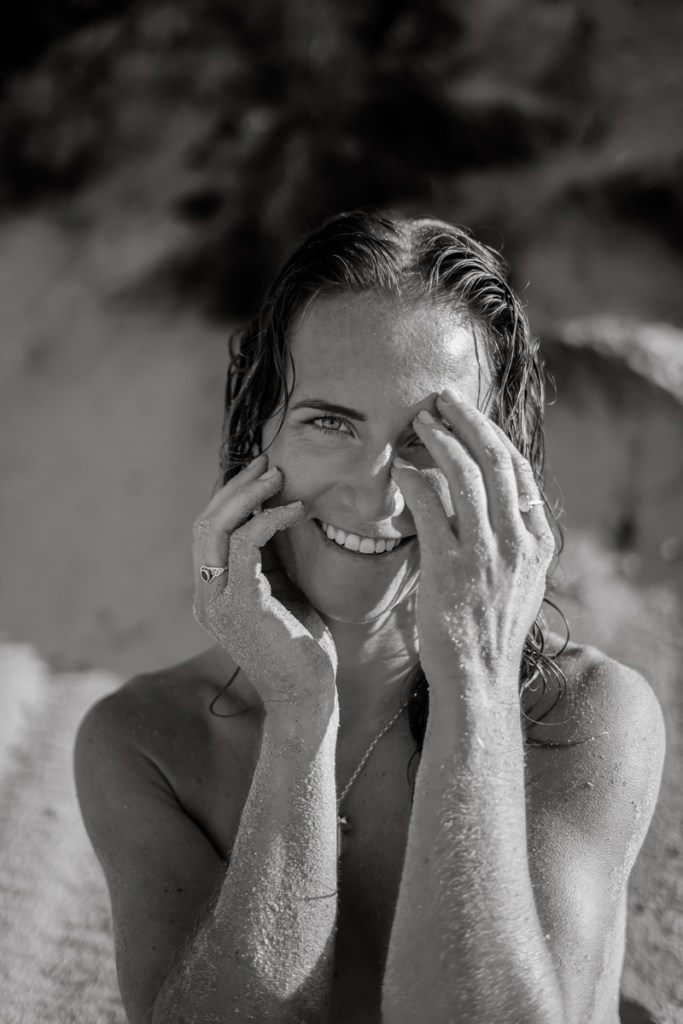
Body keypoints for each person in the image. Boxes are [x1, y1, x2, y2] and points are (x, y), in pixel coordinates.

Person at [74, 210, 665, 1024]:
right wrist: (298, 714)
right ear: (258, 433)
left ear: (500, 469)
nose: (374, 494)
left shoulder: (585, 717)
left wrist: (474, 677)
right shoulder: (144, 741)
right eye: (328, 422)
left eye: (430, 437)